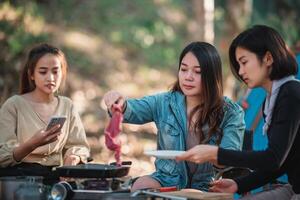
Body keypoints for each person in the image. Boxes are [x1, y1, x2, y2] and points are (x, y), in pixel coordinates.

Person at [176, 25, 300, 200]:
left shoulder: (291, 94)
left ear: (268, 58)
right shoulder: (273, 99)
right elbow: (282, 163)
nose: (241, 72)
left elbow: (273, 158)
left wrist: (216, 153)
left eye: (244, 62)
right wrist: (238, 185)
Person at [103, 41, 245, 191]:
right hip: (166, 180)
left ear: (212, 76)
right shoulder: (164, 102)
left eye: (198, 72)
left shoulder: (231, 112)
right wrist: (119, 103)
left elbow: (230, 156)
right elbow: (131, 110)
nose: (188, 77)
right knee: (141, 186)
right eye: (184, 69)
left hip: (207, 186)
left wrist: (210, 154)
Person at [0, 43, 90, 178]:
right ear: (31, 74)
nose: (50, 78)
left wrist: (73, 157)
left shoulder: (67, 105)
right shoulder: (14, 105)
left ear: (62, 72)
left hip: (56, 178)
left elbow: (78, 145)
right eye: (43, 72)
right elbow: (3, 156)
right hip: (19, 179)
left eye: (55, 71)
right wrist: (33, 143)